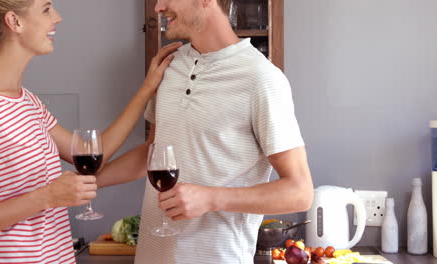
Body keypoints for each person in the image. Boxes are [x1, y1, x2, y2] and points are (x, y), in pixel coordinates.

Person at [98, 0, 314, 263]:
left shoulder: (261, 78)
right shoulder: (169, 66)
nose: (158, 7)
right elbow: (153, 154)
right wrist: (87, 183)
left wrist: (212, 198)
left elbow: (300, 192)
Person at [0, 0, 180, 263]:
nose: (57, 17)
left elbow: (94, 153)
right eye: (46, 9)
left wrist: (147, 87)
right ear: (15, 22)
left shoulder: (28, 102)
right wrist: (46, 196)